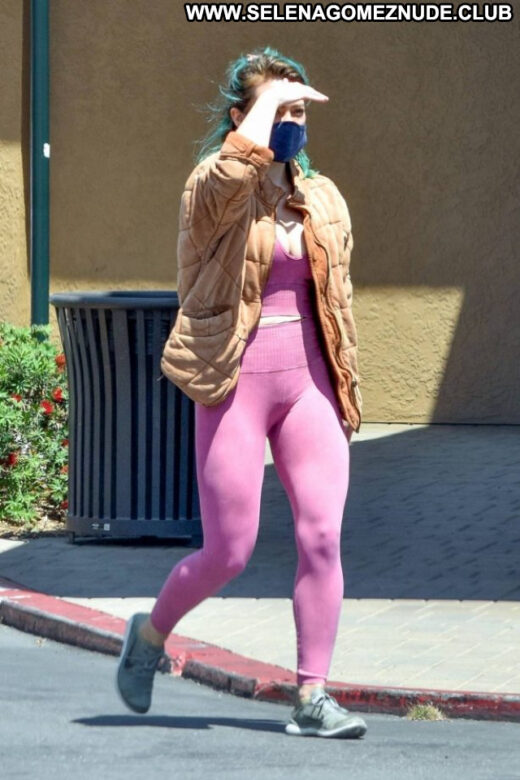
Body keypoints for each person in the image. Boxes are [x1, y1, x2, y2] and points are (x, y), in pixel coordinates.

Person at [116, 46, 366, 739]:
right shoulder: (211, 187)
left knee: (322, 535)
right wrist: (261, 120)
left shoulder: (323, 197)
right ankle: (149, 634)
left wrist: (346, 384)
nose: (291, 123)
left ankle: (312, 695)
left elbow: (339, 302)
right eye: (276, 110)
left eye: (298, 111)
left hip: (309, 383)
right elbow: (231, 176)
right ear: (240, 118)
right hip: (234, 379)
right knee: (230, 550)